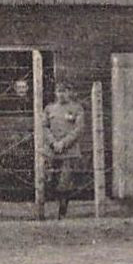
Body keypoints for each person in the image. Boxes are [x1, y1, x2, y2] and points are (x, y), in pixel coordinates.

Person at [42, 80, 86, 219]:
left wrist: (63, 143)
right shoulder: (49, 109)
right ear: (55, 93)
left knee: (65, 183)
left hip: (69, 151)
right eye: (59, 91)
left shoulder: (77, 108)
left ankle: (62, 213)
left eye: (64, 91)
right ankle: (50, 211)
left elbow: (78, 130)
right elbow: (44, 127)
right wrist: (53, 142)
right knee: (50, 180)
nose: (61, 94)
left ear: (70, 93)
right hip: (52, 151)